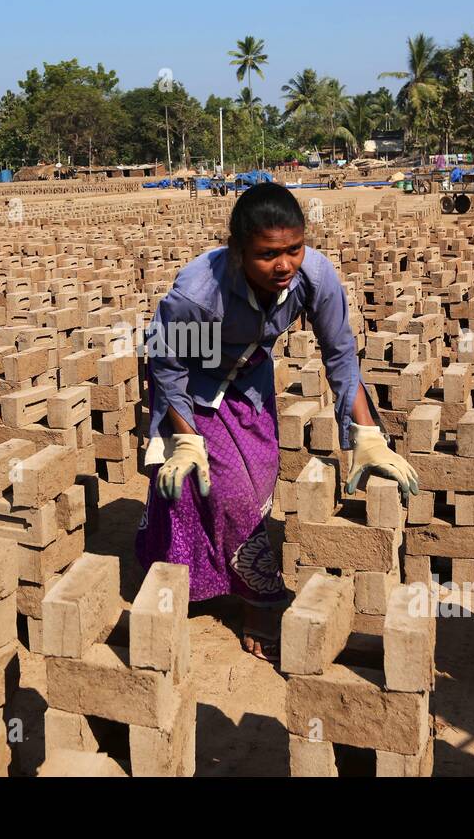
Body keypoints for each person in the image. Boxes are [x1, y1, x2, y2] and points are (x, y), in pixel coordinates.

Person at [136, 182, 419, 662]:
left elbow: (341, 355)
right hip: (192, 378)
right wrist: (185, 438)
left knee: (262, 476)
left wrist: (366, 435)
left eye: (294, 249)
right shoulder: (199, 295)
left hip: (249, 377)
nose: (284, 264)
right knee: (229, 489)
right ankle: (257, 603)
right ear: (240, 250)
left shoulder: (314, 276)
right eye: (268, 255)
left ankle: (191, 569)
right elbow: (167, 363)